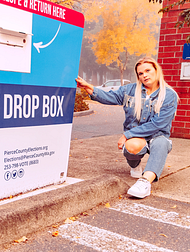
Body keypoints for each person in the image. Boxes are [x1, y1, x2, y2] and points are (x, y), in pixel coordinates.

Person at [76, 57, 178, 198]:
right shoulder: (130, 90)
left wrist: (126, 134)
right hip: (137, 137)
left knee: (161, 143)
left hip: (157, 134)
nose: (144, 75)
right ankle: (135, 164)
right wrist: (89, 87)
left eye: (148, 71)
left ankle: (145, 182)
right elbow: (110, 96)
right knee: (131, 146)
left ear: (156, 70)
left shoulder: (169, 95)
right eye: (140, 73)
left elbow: (157, 124)